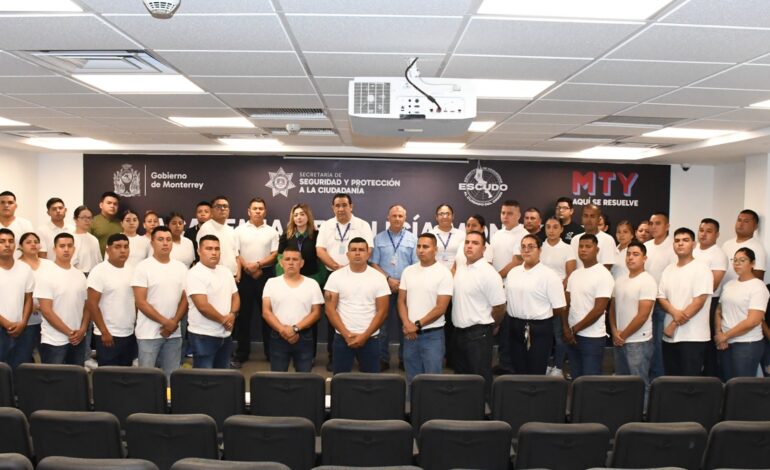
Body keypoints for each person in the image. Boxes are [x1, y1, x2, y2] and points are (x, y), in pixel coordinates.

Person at [316, 193, 374, 370]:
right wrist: (336, 267)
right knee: (332, 314)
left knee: (358, 311)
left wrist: (349, 268)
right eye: (337, 205)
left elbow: (368, 249)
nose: (341, 209)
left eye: (344, 205)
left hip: (359, 275)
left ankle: (362, 353)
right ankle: (335, 357)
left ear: (351, 206)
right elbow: (320, 250)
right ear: (333, 208)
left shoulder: (362, 225)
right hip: (331, 275)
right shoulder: (326, 226)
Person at [452, 231, 506, 398]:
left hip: (478, 335)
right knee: (462, 381)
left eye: (475, 243)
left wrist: (493, 325)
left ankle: (484, 417)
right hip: (459, 334)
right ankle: (465, 416)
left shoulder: (489, 273)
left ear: (484, 248)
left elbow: (499, 307)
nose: (469, 245)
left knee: (480, 380)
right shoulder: (461, 269)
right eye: (467, 242)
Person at [324, 237, 390, 374]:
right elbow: (330, 310)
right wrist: (346, 335)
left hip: (371, 339)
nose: (357, 253)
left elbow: (382, 311)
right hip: (342, 338)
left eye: (361, 250)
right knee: (340, 382)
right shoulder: (335, 277)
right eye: (353, 250)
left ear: (368, 253)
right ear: (347, 254)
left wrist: (365, 336)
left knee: (371, 384)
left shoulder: (379, 278)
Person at [505, 234, 567, 375]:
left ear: (540, 250)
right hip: (515, 325)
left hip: (539, 329)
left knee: (535, 371)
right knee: (517, 369)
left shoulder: (549, 276)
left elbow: (558, 308)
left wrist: (539, 317)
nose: (526, 250)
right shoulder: (513, 273)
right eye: (523, 247)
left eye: (531, 247)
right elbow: (507, 300)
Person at [132, 226, 189, 380]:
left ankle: (169, 405)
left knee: (172, 378)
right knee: (147, 379)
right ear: (152, 243)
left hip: (174, 334)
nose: (165, 243)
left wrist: (174, 322)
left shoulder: (181, 268)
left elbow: (185, 298)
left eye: (168, 240)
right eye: (160, 239)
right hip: (148, 334)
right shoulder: (143, 267)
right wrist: (166, 322)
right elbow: (141, 302)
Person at [398, 233, 453, 384]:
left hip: (432, 336)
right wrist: (407, 324)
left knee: (432, 382)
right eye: (419, 246)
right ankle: (413, 408)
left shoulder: (444, 273)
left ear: (435, 249)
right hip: (410, 336)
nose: (421, 250)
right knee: (412, 380)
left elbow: (440, 308)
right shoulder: (408, 271)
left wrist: (416, 325)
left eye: (426, 247)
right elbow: (401, 301)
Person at [658, 228, 713, 376]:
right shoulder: (668, 269)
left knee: (690, 385)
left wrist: (673, 324)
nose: (680, 243)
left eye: (685, 240)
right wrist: (675, 313)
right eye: (677, 241)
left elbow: (699, 302)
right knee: (671, 383)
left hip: (693, 337)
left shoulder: (701, 269)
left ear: (694, 244)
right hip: (669, 338)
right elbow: (661, 297)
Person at [232, 197, 279, 368]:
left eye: (261, 208)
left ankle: (270, 352)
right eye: (255, 208)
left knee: (267, 316)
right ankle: (242, 353)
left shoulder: (272, 232)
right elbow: (236, 252)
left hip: (265, 275)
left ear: (265, 212)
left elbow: (274, 255)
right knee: (243, 316)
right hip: (244, 275)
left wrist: (258, 265)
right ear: (248, 211)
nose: (258, 211)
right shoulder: (239, 230)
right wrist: (248, 267)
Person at [370, 204, 417, 371]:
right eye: (394, 216)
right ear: (388, 218)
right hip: (384, 287)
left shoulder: (413, 239)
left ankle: (406, 359)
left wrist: (401, 282)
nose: (397, 219)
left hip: (406, 289)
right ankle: (383, 358)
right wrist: (389, 279)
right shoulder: (379, 238)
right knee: (381, 326)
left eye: (400, 216)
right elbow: (373, 263)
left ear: (405, 218)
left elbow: (416, 265)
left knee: (406, 324)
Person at [262, 247, 323, 372]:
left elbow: (316, 313)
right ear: (281, 262)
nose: (291, 262)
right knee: (277, 380)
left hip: (304, 337)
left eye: (295, 259)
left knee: (305, 381)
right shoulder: (271, 283)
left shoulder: (312, 284)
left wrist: (295, 329)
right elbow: (266, 312)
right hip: (278, 336)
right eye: (287, 259)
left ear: (302, 263)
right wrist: (283, 330)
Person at [277, 203, 324, 363]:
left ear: (308, 216)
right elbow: (279, 258)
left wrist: (318, 281)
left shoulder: (317, 235)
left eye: (302, 214)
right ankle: (286, 349)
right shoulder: (286, 235)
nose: (299, 217)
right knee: (288, 313)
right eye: (296, 214)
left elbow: (321, 260)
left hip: (311, 281)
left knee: (311, 317)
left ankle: (310, 355)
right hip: (290, 282)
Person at [564, 234, 615, 378]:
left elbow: (599, 310)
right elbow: (566, 304)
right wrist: (566, 329)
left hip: (592, 338)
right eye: (581, 246)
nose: (583, 250)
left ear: (597, 250)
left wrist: (574, 330)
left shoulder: (604, 275)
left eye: (588, 246)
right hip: (572, 336)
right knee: (576, 379)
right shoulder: (575, 274)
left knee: (590, 383)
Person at [186, 235, 240, 369]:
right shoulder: (195, 273)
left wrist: (232, 315)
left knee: (223, 379)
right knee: (204, 381)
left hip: (225, 334)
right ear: (199, 251)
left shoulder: (225, 271)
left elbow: (236, 296)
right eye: (209, 248)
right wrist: (224, 320)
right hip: (203, 335)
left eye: (217, 249)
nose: (214, 252)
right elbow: (202, 306)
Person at [35, 233, 89, 365]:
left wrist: (82, 330)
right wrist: (69, 332)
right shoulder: (46, 274)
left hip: (79, 338)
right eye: (62, 246)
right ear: (54, 249)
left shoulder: (80, 275)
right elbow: (46, 311)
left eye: (70, 246)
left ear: (74, 249)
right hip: (54, 340)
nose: (66, 249)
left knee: (76, 381)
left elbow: (87, 306)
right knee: (53, 382)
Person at [715, 247, 769, 380]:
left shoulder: (758, 286)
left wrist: (725, 335)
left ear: (752, 263)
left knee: (742, 388)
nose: (737, 263)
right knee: (727, 384)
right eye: (735, 260)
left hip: (747, 344)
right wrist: (719, 334)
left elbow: (753, 321)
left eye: (742, 260)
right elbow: (718, 311)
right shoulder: (729, 284)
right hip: (725, 343)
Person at [610, 240, 656, 390]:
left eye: (636, 254)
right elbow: (612, 309)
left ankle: (642, 412)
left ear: (644, 258)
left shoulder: (647, 281)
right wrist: (615, 332)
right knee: (622, 382)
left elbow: (643, 315)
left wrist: (623, 336)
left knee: (639, 383)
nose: (630, 257)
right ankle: (625, 411)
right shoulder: (620, 280)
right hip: (619, 339)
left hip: (638, 341)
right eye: (628, 254)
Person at [86, 234, 136, 366]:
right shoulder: (99, 271)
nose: (123, 250)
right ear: (108, 250)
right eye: (118, 247)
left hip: (129, 332)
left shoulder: (133, 270)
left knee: (125, 376)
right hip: (108, 335)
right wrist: (104, 332)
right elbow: (92, 304)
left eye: (126, 247)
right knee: (107, 377)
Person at [540, 216, 576, 378]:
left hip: (559, 298)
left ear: (562, 229)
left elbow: (571, 274)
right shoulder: (539, 247)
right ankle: (546, 364)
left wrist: (556, 290)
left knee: (559, 334)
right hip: (540, 298)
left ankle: (558, 367)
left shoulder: (568, 249)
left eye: (555, 227)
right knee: (544, 335)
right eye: (548, 227)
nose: (551, 230)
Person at [694, 218, 728, 377]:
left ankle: (710, 378)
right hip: (690, 301)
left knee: (707, 343)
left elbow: (712, 285)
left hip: (709, 302)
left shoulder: (718, 254)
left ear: (717, 234)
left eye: (709, 231)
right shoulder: (693, 249)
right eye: (701, 230)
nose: (704, 234)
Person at [644, 211, 677, 379]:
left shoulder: (673, 247)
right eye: (651, 223)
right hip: (644, 302)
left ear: (667, 226)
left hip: (661, 303)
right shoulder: (647, 246)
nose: (653, 227)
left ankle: (657, 382)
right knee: (645, 344)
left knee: (657, 345)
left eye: (658, 223)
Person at [0, 229, 35, 368]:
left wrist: (23, 322)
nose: (7, 245)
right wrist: (5, 323)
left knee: (20, 370)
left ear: (15, 245)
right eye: (2, 242)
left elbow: (28, 298)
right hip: (2, 328)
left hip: (22, 329)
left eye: (10, 241)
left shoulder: (25, 269)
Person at [197, 196, 239, 277]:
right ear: (211, 211)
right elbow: (204, 255)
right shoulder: (206, 228)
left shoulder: (231, 230)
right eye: (218, 206)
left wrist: (238, 274)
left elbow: (236, 256)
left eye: (225, 206)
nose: (222, 208)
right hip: (213, 276)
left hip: (232, 277)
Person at [722, 209, 766, 283]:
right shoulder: (726, 244)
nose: (741, 224)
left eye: (746, 221)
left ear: (755, 227)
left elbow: (758, 279)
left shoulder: (757, 248)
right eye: (739, 220)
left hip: (742, 293)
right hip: (724, 291)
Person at [570, 204, 616, 269]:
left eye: (592, 216)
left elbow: (606, 268)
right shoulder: (575, 239)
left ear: (598, 219)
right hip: (578, 277)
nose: (588, 220)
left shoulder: (608, 240)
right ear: (582, 218)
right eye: (585, 216)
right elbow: (572, 266)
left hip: (598, 278)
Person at [490, 200, 525, 279]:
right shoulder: (496, 234)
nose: (505, 216)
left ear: (519, 216)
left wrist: (496, 278)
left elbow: (517, 262)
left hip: (513, 283)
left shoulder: (524, 236)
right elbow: (489, 258)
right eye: (503, 213)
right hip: (495, 283)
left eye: (510, 213)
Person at [0, 191, 34, 259]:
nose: (6, 205)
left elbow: (31, 248)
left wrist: (18, 264)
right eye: (2, 202)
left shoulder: (25, 224)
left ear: (15, 206)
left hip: (21, 265)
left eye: (10, 202)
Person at [430, 203, 463, 270]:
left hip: (456, 274)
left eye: (448, 214)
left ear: (453, 216)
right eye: (441, 214)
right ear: (436, 217)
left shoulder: (462, 235)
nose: (445, 216)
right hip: (435, 273)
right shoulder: (429, 235)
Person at [71, 206, 102, 275]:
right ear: (75, 219)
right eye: (83, 217)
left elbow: (99, 261)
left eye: (89, 218)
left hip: (93, 276)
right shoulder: (70, 239)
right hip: (77, 276)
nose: (87, 220)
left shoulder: (94, 239)